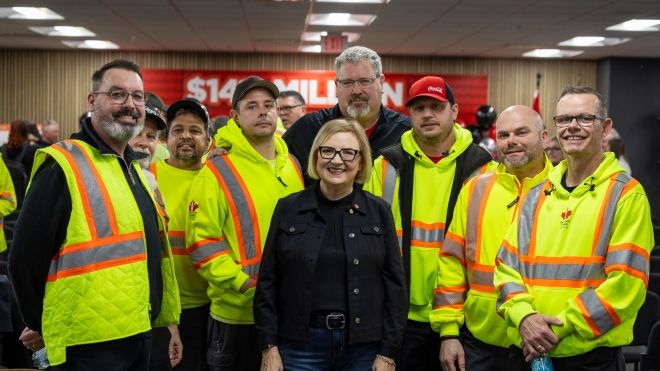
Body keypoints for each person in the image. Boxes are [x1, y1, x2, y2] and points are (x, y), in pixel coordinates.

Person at [7, 59, 181, 370]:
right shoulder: (64, 165)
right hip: (87, 345)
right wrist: (43, 323)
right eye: (117, 94)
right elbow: (24, 259)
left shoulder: (133, 168)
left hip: (137, 332)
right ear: (92, 101)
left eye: (137, 96)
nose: (130, 105)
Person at [494, 86, 654, 371]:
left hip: (589, 358)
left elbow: (625, 287)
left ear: (604, 129)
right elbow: (506, 266)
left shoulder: (626, 195)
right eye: (564, 120)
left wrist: (555, 330)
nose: (572, 127)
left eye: (584, 118)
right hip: (527, 351)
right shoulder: (537, 195)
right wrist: (524, 318)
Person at [254, 118, 407, 371]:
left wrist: (388, 353)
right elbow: (268, 282)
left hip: (364, 349)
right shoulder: (288, 208)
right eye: (328, 150)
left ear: (361, 162)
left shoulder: (379, 212)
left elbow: (395, 288)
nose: (337, 160)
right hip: (299, 348)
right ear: (316, 156)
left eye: (348, 153)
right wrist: (268, 347)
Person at [364, 75, 491, 371]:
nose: (427, 114)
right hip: (398, 316)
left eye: (436, 106)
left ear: (455, 111)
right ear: (410, 114)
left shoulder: (483, 168)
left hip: (461, 317)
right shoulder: (385, 166)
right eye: (419, 108)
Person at [185, 76, 304, 371]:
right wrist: (247, 286)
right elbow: (202, 246)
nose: (262, 112)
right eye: (251, 106)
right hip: (237, 318)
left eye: (268, 105)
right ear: (236, 117)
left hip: (289, 315)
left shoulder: (292, 164)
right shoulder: (215, 171)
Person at [431, 105, 552, 371]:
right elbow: (451, 263)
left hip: (546, 341)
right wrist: (449, 332)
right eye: (504, 135)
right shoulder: (475, 189)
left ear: (544, 137)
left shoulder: (565, 189)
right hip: (482, 342)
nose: (512, 142)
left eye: (521, 133)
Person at [283, 46, 411, 185]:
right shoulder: (306, 129)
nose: (356, 90)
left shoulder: (406, 132)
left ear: (381, 82)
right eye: (348, 82)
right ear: (337, 86)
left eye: (364, 81)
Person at [151, 98, 212, 371]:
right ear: (166, 138)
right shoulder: (146, 176)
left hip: (209, 306)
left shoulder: (217, 178)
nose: (186, 136)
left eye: (195, 130)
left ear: (208, 140)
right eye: (178, 130)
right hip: (160, 308)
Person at [128, 99, 184, 370]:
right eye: (137, 133)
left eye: (151, 136)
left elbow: (161, 260)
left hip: (149, 319)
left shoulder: (151, 184)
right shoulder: (98, 181)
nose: (144, 142)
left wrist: (169, 324)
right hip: (111, 329)